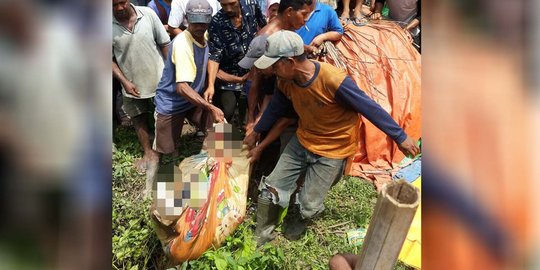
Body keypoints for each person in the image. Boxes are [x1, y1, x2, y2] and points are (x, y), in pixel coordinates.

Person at [244, 30, 420, 245]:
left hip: (333, 150)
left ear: (290, 62)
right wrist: (256, 131)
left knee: (308, 206)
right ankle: (261, 237)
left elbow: (369, 108)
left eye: (274, 64)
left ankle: (301, 213)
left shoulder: (333, 80)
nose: (271, 70)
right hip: (302, 141)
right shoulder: (285, 82)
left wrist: (400, 137)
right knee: (270, 190)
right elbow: (276, 110)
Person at [150, 0, 226, 195]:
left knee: (218, 128)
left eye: (204, 23)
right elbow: (182, 88)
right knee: (168, 152)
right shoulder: (182, 44)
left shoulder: (206, 37)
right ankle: (163, 190)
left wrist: (239, 79)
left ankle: (216, 174)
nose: (200, 27)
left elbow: (210, 65)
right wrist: (210, 107)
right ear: (187, 20)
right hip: (172, 102)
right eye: (195, 23)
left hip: (193, 98)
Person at [112, 0, 170, 175]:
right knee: (138, 117)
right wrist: (124, 82)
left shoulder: (148, 14)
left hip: (159, 79)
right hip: (132, 84)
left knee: (163, 116)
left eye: (122, 2)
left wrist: (170, 74)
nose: (120, 8)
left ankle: (166, 149)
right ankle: (148, 151)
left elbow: (165, 44)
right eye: (114, 5)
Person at [203, 0, 266, 125]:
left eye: (232, 4)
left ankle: (250, 139)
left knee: (253, 114)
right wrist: (210, 85)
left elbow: (265, 28)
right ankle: (218, 143)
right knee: (225, 114)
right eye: (224, 5)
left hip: (253, 71)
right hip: (228, 77)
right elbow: (215, 55)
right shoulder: (216, 22)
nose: (229, 9)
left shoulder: (251, 6)